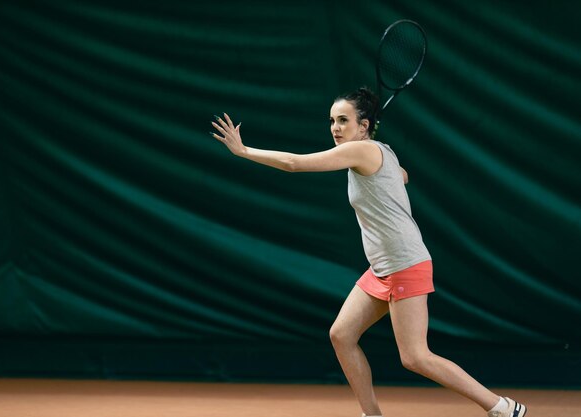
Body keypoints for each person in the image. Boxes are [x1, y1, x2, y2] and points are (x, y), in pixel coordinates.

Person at [210, 87, 527, 417]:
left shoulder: (362, 150)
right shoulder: (380, 151)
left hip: (405, 263)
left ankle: (501, 407)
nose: (335, 127)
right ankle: (372, 414)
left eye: (344, 121)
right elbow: (402, 176)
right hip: (381, 268)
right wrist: (393, 177)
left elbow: (294, 163)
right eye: (332, 120)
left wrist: (244, 150)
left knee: (415, 357)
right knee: (342, 335)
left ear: (364, 126)